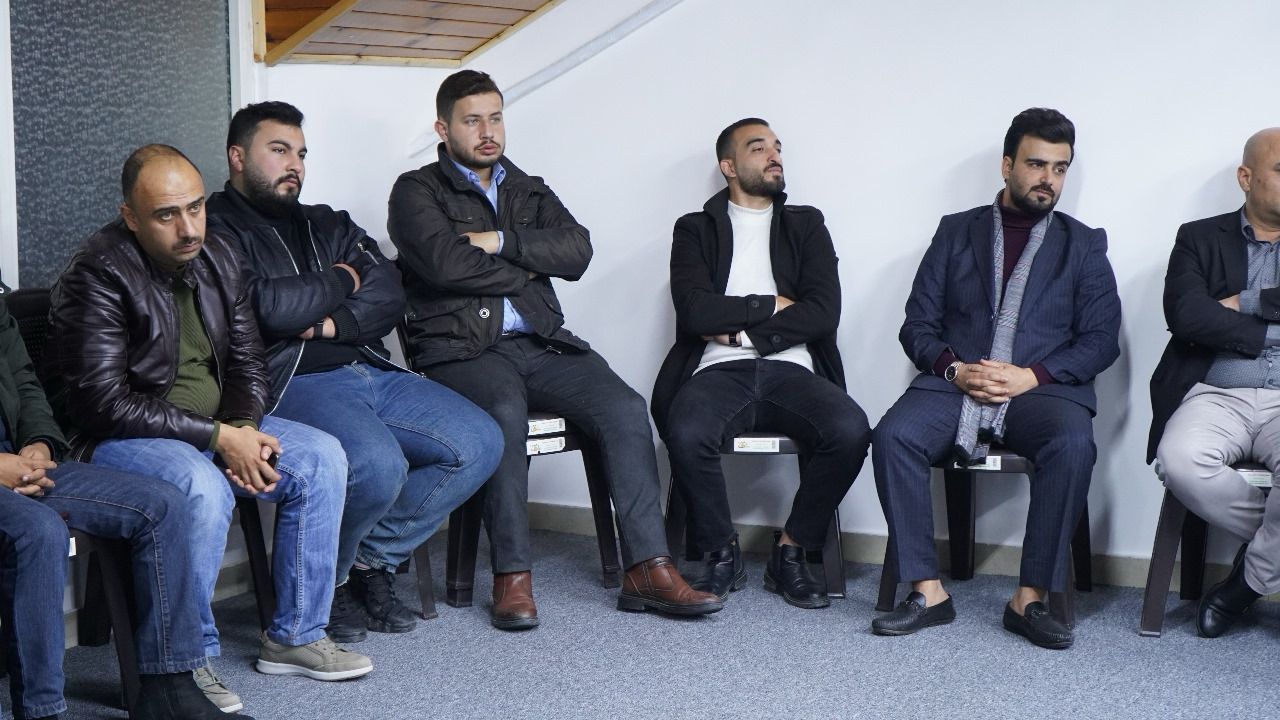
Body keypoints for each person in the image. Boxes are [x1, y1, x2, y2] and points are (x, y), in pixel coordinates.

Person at [387, 69, 720, 630]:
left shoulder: (526, 187)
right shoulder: (416, 191)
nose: (488, 132)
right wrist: (525, 269)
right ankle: (512, 577)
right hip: (463, 351)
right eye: (472, 121)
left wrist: (500, 241)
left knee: (624, 407)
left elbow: (577, 251)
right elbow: (443, 265)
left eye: (496, 118)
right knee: (503, 412)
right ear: (443, 129)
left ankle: (648, 568)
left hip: (541, 343)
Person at [47, 145, 372, 713]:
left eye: (195, 208)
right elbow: (102, 404)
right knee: (201, 485)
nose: (188, 228)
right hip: (119, 440)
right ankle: (188, 660)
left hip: (216, 425)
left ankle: (295, 636)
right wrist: (221, 440)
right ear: (130, 216)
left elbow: (248, 362)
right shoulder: (96, 274)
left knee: (322, 458)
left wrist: (242, 428)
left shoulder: (217, 254)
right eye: (166, 214)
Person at [206, 101, 502, 643]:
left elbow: (390, 293)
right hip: (289, 380)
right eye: (278, 150)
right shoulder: (214, 228)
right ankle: (332, 583)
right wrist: (345, 279)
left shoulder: (328, 222)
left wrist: (327, 324)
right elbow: (266, 308)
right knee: (377, 465)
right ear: (237, 156)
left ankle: (366, 561)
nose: (294, 164)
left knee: (480, 441)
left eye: (301, 153)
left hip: (366, 366)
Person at [871, 108, 1120, 649]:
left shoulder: (1083, 244)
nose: (1048, 179)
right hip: (955, 383)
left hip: (1041, 390)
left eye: (1060, 168)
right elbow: (917, 326)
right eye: (1036, 164)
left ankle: (1029, 599)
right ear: (1007, 165)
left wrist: (1032, 376)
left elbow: (1101, 340)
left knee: (1073, 444)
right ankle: (927, 591)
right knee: (894, 436)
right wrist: (957, 370)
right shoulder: (955, 231)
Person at [651, 118, 871, 608]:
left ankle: (790, 550)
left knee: (850, 430)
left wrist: (742, 331)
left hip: (792, 369)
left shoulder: (805, 224)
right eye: (758, 148)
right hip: (716, 370)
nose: (775, 156)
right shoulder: (694, 229)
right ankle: (720, 550)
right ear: (728, 166)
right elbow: (694, 311)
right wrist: (771, 304)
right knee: (685, 430)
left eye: (777, 147)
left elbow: (823, 311)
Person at [0, 289, 248, 719]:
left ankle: (168, 689)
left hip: (21, 460)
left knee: (161, 505)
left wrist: (39, 442)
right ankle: (41, 710)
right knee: (39, 531)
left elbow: (24, 380)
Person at [1151, 127, 1280, 638]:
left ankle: (1242, 587)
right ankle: (1272, 545)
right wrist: (1267, 326)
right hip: (1216, 393)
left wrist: (1241, 302)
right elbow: (1186, 315)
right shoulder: (1199, 237)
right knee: (1179, 459)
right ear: (1245, 177)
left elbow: (1212, 314)